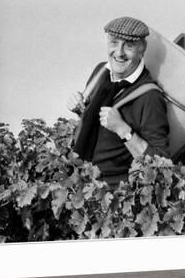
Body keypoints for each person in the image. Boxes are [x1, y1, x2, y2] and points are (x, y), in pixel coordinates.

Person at [67, 16, 170, 187]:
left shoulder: (150, 97)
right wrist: (79, 108)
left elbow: (162, 167)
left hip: (116, 197)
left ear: (141, 49)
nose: (119, 52)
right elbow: (95, 125)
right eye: (114, 43)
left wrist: (124, 130)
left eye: (128, 46)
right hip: (83, 183)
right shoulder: (100, 72)